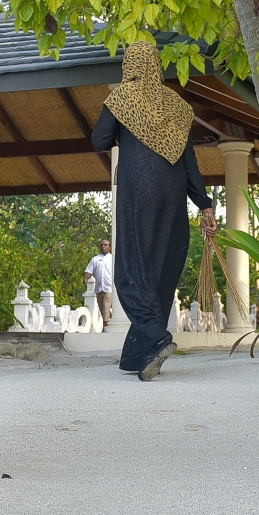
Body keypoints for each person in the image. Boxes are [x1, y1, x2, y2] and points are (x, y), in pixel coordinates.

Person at [91, 40, 216, 380]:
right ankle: (139, 356)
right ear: (157, 66)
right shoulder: (178, 107)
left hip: (139, 196)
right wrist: (205, 206)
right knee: (161, 272)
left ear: (129, 66)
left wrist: (126, 134)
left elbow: (98, 140)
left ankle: (158, 337)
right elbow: (190, 164)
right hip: (173, 196)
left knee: (131, 273)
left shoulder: (123, 98)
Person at [84, 238, 114, 330]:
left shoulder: (113, 259)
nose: (103, 247)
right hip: (99, 289)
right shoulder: (95, 259)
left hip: (109, 288)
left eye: (105, 245)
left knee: (106, 307)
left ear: (109, 247)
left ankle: (105, 328)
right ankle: (109, 322)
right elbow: (89, 271)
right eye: (102, 245)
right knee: (102, 309)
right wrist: (86, 278)